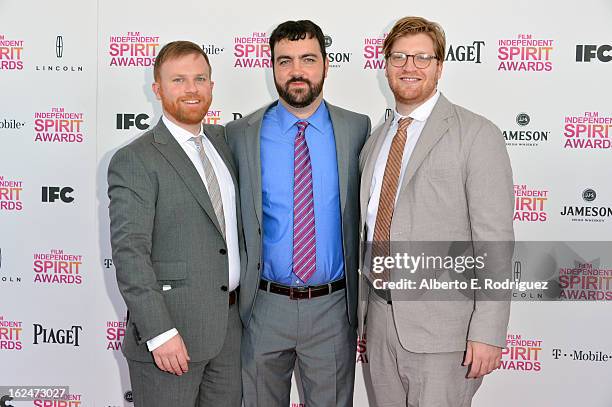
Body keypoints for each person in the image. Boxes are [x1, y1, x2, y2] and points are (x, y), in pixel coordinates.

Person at [358, 16, 514, 407]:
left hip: (445, 334)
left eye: (422, 57)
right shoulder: (376, 140)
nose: (409, 67)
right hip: (379, 322)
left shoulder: (477, 134)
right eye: (399, 57)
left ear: (440, 66)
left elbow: (494, 240)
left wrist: (489, 331)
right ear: (385, 65)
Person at [226, 20, 370, 407]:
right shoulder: (240, 134)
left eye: (308, 59)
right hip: (264, 307)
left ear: (326, 64)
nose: (296, 71)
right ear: (271, 66)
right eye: (284, 60)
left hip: (332, 309)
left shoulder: (357, 129)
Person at [108, 40, 243, 407]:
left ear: (212, 86)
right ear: (157, 89)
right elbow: (130, 253)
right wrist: (159, 332)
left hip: (230, 333)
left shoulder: (225, 142)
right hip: (172, 336)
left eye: (200, 78)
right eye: (179, 80)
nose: (191, 89)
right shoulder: (135, 159)